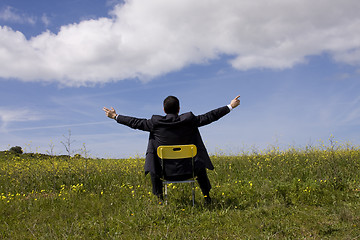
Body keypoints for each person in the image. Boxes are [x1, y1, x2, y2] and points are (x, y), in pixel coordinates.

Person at [103, 95, 240, 203]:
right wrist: (230, 106)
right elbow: (210, 116)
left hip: (164, 173)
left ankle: (160, 200)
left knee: (153, 161)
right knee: (199, 163)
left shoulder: (155, 123)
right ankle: (206, 197)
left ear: (164, 110)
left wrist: (115, 116)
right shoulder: (190, 120)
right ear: (179, 109)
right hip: (190, 171)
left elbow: (135, 123)